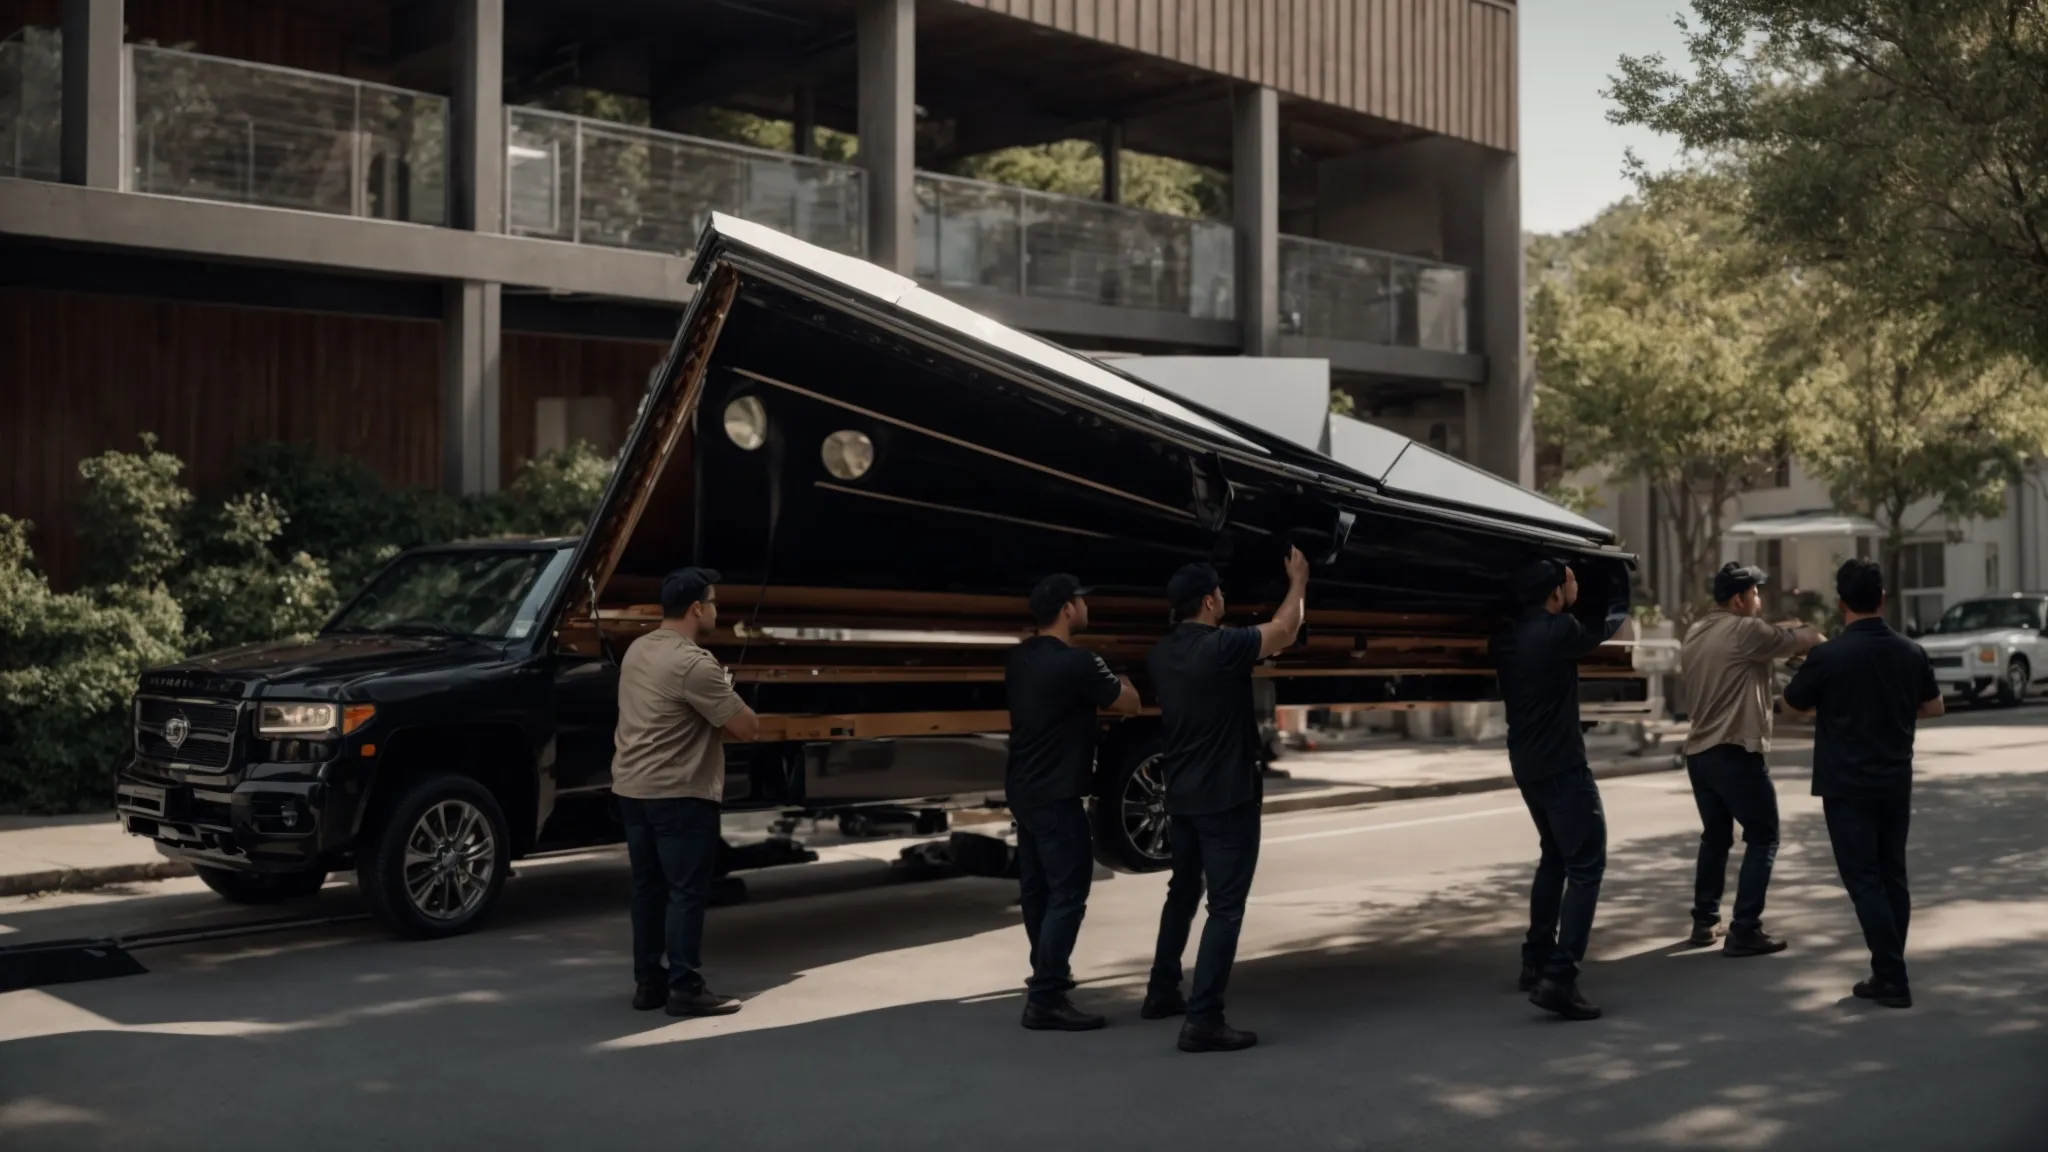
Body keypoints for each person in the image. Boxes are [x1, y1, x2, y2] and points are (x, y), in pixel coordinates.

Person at [1144, 547, 1309, 1053]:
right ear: (1209, 601)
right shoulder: (1221, 648)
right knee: (1225, 908)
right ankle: (1204, 1019)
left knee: (1182, 892)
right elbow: (1285, 629)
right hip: (1226, 798)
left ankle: (1161, 991)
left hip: (1183, 797)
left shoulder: (1161, 655)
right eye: (1219, 592)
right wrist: (1299, 581)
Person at [1781, 558, 1942, 1009]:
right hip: (1895, 779)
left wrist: (1832, 707)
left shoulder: (1829, 655)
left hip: (1846, 784)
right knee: (1892, 875)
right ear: (1882, 599)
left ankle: (1892, 976)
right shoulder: (1910, 651)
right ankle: (1886, 969)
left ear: (1840, 604)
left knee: (1864, 880)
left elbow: (1792, 705)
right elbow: (1935, 707)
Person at [613, 566, 761, 1017]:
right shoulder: (694, 664)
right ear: (696, 609)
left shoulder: (638, 649)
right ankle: (685, 988)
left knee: (647, 888)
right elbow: (747, 727)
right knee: (686, 893)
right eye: (713, 602)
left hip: (632, 789)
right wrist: (726, 689)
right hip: (678, 792)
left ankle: (648, 984)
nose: (717, 609)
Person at [1491, 558, 1631, 1021]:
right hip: (1562, 765)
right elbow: (1606, 624)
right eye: (1567, 582)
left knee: (1554, 855)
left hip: (1526, 763)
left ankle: (1535, 959)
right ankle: (1560, 977)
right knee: (1587, 866)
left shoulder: (1505, 637)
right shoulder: (1558, 632)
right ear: (1554, 593)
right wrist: (1613, 579)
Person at [1004, 573, 1141, 1032]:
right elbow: (1130, 704)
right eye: (1081, 601)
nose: (1086, 607)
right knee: (1068, 894)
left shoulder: (1019, 659)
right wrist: (1121, 676)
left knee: (1038, 892)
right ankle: (1046, 998)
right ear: (1066, 609)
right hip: (1059, 794)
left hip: (1024, 790)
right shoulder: (1080, 663)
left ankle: (1049, 978)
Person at [1678, 562, 1823, 955]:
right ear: (1739, 600)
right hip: (1735, 753)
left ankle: (1704, 921)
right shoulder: (1746, 631)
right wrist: (1811, 634)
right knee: (1764, 836)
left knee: (1716, 837)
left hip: (1699, 754)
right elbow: (1808, 637)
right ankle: (1744, 929)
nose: (1759, 600)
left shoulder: (1697, 631)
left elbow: (1762, 644)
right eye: (1756, 593)